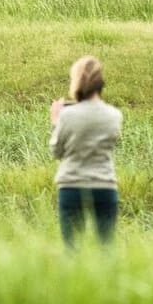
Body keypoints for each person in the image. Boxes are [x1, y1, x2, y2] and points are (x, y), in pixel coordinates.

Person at [49, 55, 123, 247]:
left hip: (72, 185)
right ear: (100, 82)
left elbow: (56, 151)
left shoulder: (68, 116)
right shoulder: (114, 115)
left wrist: (56, 122)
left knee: (72, 248)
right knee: (106, 248)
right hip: (105, 185)